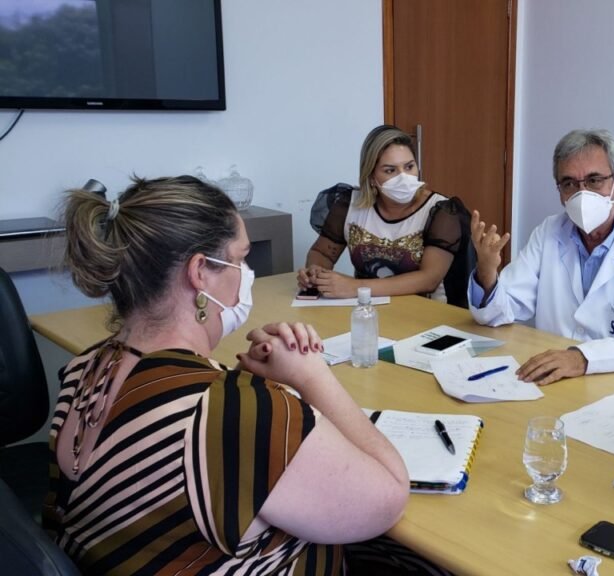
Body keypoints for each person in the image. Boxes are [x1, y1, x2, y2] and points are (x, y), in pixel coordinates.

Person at [45, 176, 410, 574]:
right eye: (240, 258)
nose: (245, 272)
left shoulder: (85, 368)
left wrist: (241, 380)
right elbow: (388, 499)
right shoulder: (231, 414)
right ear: (200, 271)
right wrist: (311, 376)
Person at [469, 129, 614, 385]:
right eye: (569, 184)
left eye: (594, 180)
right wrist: (487, 272)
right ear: (560, 192)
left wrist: (585, 358)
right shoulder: (548, 233)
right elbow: (500, 312)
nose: (582, 193)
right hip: (554, 381)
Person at [298, 125, 469, 305]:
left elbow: (428, 279)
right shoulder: (349, 204)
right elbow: (322, 253)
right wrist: (316, 272)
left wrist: (355, 287)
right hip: (367, 309)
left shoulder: (442, 211)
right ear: (371, 177)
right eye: (390, 170)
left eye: (409, 167)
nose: (404, 177)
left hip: (426, 312)